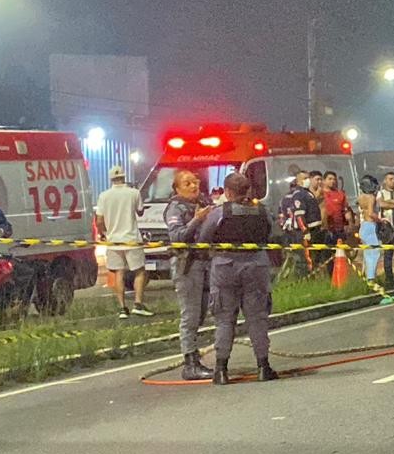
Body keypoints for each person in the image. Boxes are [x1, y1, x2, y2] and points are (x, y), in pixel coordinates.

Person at [199, 171, 278, 385]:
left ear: (228, 192)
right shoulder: (262, 211)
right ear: (248, 190)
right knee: (257, 317)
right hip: (256, 266)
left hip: (225, 266)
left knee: (224, 319)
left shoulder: (220, 213)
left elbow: (204, 237)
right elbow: (272, 234)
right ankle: (263, 367)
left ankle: (221, 370)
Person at [163, 170, 214, 380]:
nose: (194, 186)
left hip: (206, 264)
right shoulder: (176, 208)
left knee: (202, 313)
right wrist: (196, 220)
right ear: (177, 189)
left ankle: (195, 355)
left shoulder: (203, 203)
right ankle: (190, 364)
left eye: (195, 182)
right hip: (188, 265)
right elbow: (177, 237)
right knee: (190, 315)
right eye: (187, 183)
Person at [95, 165, 152, 319]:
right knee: (139, 271)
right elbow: (140, 211)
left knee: (118, 272)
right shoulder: (134, 193)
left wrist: (104, 233)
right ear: (124, 177)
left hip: (114, 241)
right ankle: (138, 304)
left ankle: (122, 308)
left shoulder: (104, 196)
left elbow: (99, 220)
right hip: (131, 238)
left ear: (110, 179)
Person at [278, 170, 320, 275]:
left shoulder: (307, 193)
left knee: (312, 256)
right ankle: (305, 279)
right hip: (304, 231)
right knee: (305, 258)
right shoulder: (299, 194)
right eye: (304, 178)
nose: (307, 180)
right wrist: (305, 231)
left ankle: (311, 276)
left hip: (313, 230)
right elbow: (299, 215)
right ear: (298, 181)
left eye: (308, 178)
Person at [356, 175, 382, 281]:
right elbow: (371, 213)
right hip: (371, 226)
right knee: (374, 252)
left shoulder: (360, 197)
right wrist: (380, 220)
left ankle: (367, 276)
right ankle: (371, 278)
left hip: (363, 226)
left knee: (367, 253)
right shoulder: (371, 197)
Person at [322, 171, 353, 247]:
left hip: (339, 229)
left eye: (334, 179)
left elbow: (346, 210)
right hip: (325, 229)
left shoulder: (340, 194)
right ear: (324, 180)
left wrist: (350, 224)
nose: (332, 181)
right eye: (330, 179)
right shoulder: (320, 194)